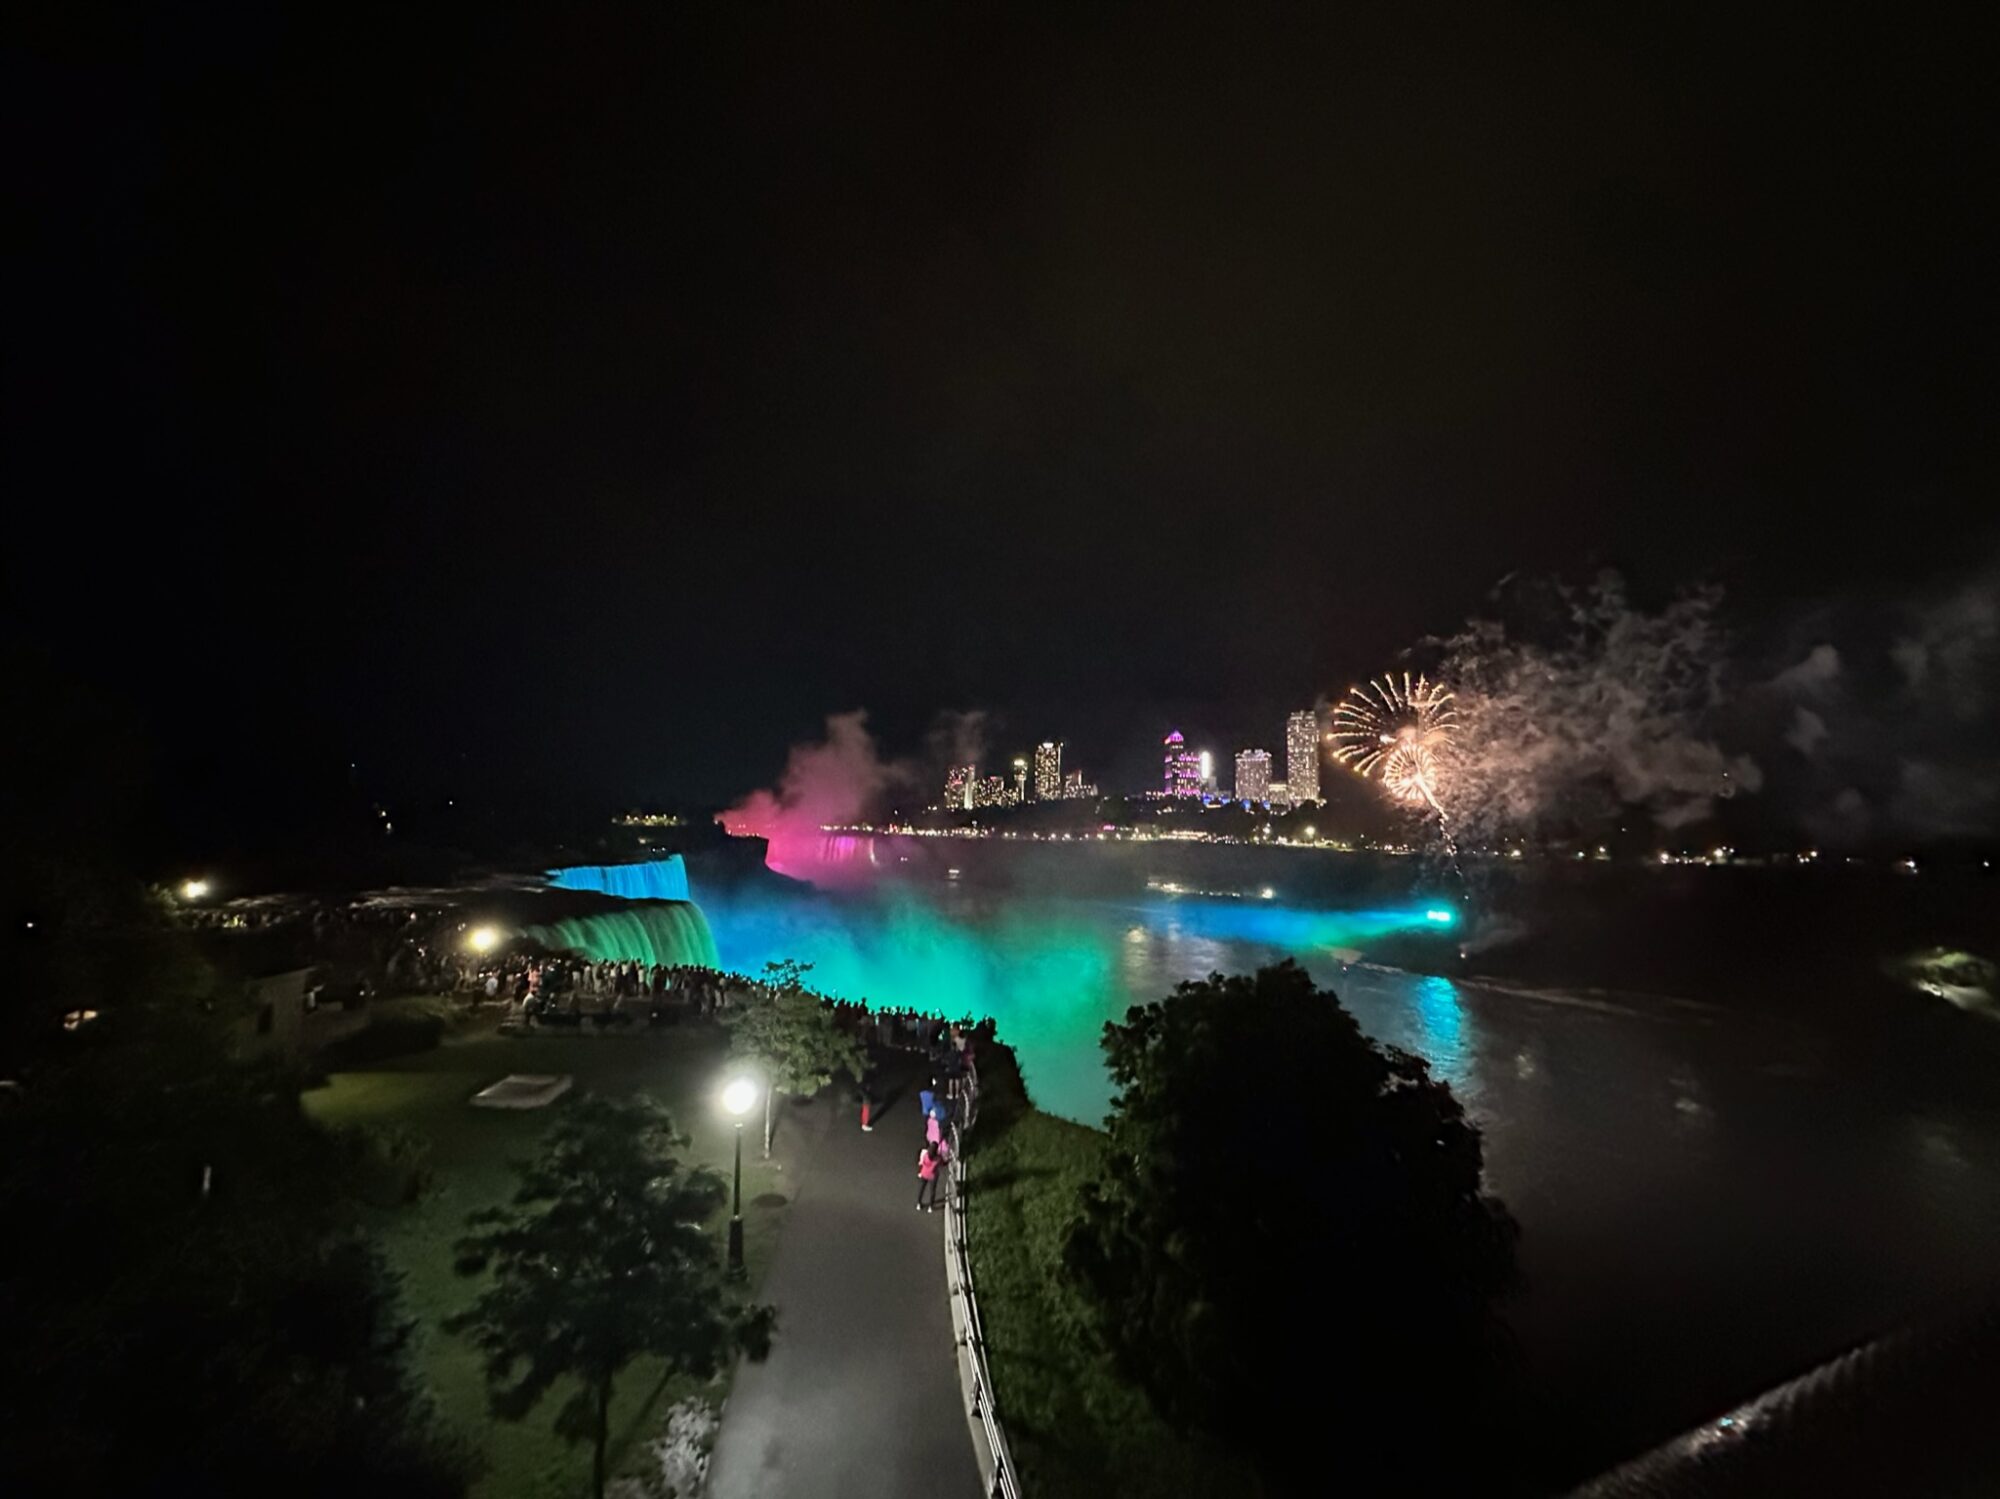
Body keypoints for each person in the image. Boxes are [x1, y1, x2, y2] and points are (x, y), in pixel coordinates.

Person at [917, 1143, 940, 1211]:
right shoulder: (937, 1159)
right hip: (932, 1176)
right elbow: (942, 1163)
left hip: (924, 1173)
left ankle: (919, 1203)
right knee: (932, 1191)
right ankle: (930, 1206)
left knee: (922, 1188)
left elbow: (922, 1162)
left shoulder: (925, 1155)